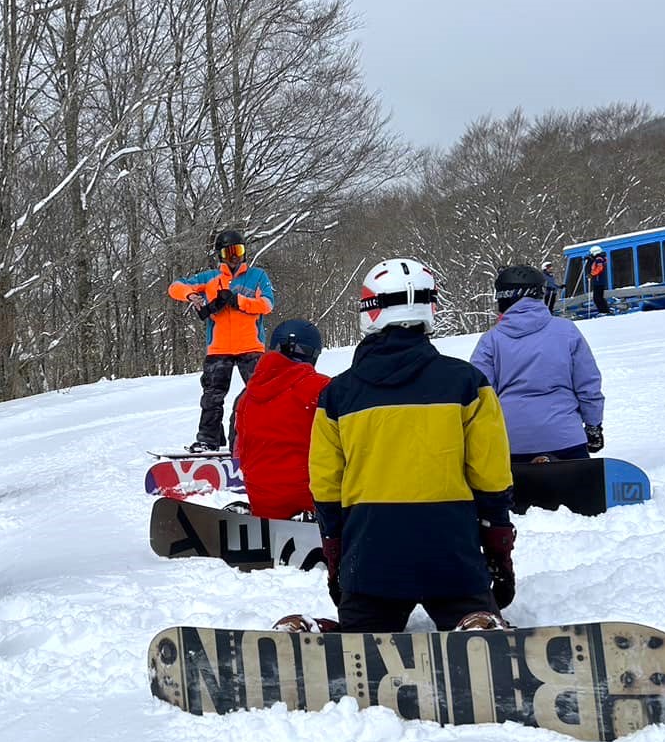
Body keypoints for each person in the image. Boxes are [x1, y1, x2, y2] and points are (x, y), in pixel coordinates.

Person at [301, 259, 516, 634]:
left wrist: (335, 547)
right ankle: (479, 625)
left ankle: (318, 636)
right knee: (478, 632)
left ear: (371, 311)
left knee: (358, 642)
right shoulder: (468, 383)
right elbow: (490, 473)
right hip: (451, 551)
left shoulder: (337, 395)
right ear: (429, 309)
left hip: (370, 553)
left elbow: (325, 483)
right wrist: (497, 541)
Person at [470, 265, 605, 461]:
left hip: (512, 442)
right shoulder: (566, 331)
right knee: (577, 490)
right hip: (565, 438)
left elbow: (479, 394)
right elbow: (588, 384)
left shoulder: (490, 340)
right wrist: (593, 426)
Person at [167, 228, 275, 452]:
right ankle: (208, 439)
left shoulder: (258, 276)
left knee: (261, 394)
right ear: (220, 255)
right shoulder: (209, 279)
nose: (235, 257)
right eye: (229, 253)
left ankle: (267, 436)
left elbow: (267, 304)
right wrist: (192, 295)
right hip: (219, 348)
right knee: (212, 397)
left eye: (239, 250)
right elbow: (174, 287)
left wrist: (239, 301)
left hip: (251, 346)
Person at [233, 319, 332, 521]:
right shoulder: (322, 388)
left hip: (264, 503)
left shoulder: (246, 397)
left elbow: (238, 451)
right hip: (313, 500)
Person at [586, 246, 611, 315]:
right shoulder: (598, 259)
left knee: (597, 298)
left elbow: (599, 268)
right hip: (598, 281)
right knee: (599, 297)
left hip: (598, 281)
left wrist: (592, 274)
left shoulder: (599, 259)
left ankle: (604, 311)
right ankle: (604, 311)